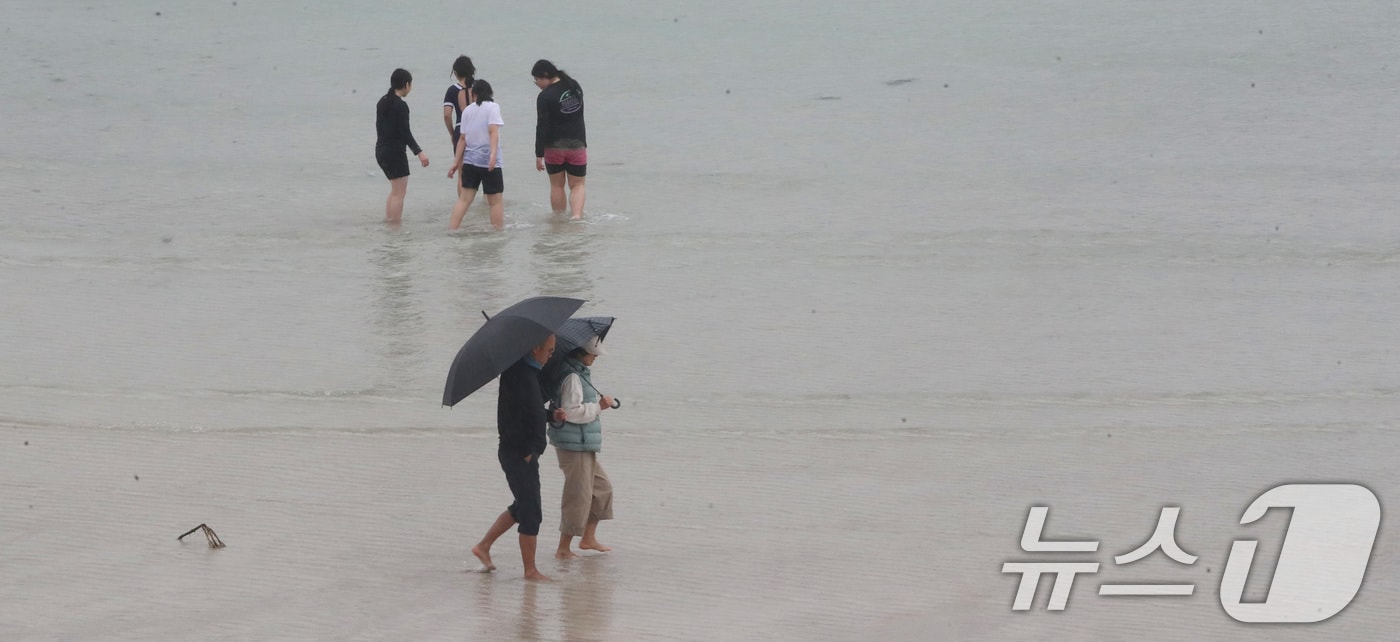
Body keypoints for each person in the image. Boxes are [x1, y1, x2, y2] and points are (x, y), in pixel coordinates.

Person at [472, 334, 557, 581]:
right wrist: (528, 451)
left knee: (523, 506)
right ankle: (530, 571)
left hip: (522, 451)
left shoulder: (527, 373)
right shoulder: (519, 374)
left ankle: (483, 546)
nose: (551, 355)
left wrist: (551, 416)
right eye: (549, 350)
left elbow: (531, 411)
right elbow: (511, 419)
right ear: (535, 348)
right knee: (531, 512)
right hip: (518, 452)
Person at [546, 335, 615, 559]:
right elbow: (571, 413)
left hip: (583, 443)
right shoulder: (572, 377)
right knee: (578, 496)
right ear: (581, 352)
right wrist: (599, 407)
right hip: (573, 445)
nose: (595, 357)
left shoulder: (580, 374)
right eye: (593, 354)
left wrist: (597, 406)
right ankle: (563, 549)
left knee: (602, 489)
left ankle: (588, 539)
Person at [531, 60, 587, 220]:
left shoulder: (544, 96)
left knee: (557, 186)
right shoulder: (574, 86)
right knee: (577, 185)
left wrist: (539, 154)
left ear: (545, 76)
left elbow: (541, 126)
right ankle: (576, 217)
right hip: (577, 144)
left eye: (537, 80)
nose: (537, 84)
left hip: (553, 147)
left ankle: (559, 221)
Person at [448, 79, 505, 230]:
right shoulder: (493, 107)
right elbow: (493, 131)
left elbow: (462, 138)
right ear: (489, 93)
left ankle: (452, 230)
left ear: (474, 94)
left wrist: (455, 162)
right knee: (495, 202)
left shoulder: (467, 110)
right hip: (489, 162)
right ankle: (498, 234)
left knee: (464, 200)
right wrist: (493, 154)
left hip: (470, 162)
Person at [375, 68, 428, 223]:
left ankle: (389, 222)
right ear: (406, 84)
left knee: (395, 191)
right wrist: (419, 152)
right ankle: (395, 226)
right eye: (410, 84)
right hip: (395, 152)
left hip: (380, 150)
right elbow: (405, 133)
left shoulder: (382, 101)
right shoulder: (401, 106)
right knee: (399, 193)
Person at [442, 55, 475, 199]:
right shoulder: (480, 87)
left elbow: (447, 115)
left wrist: (452, 133)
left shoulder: (452, 90)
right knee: (485, 169)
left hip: (461, 129)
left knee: (462, 172)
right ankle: (488, 204)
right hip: (479, 130)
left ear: (455, 73)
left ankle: (463, 205)